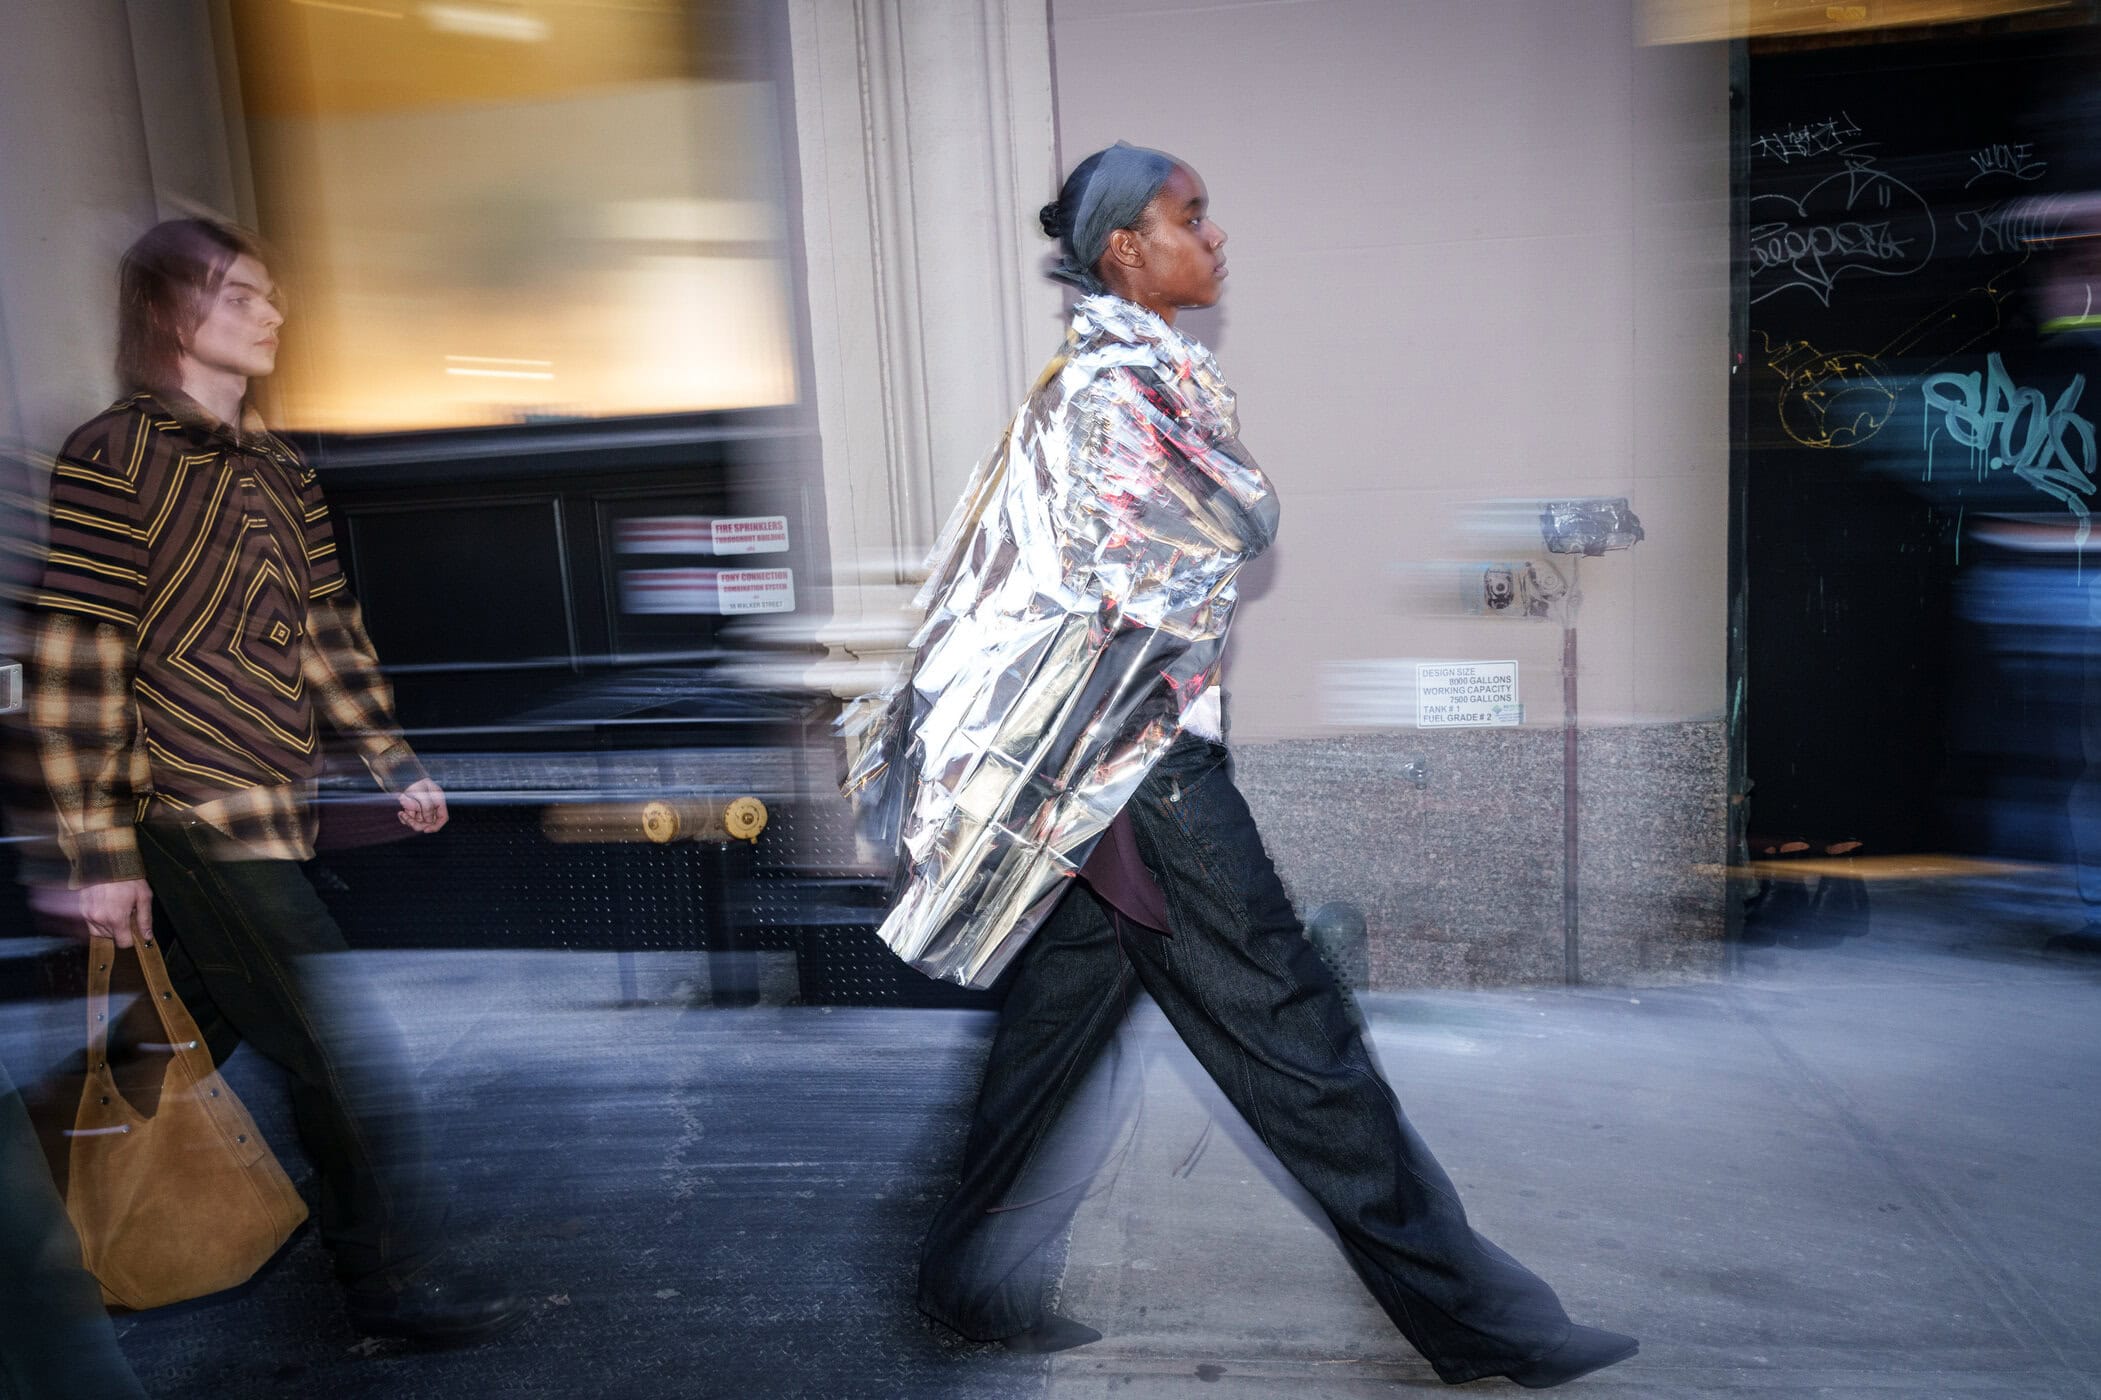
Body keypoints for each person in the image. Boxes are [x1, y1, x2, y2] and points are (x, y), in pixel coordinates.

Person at [872, 145, 1639, 1388]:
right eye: (1190, 216)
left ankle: (957, 1283)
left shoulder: (1137, 376)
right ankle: (1484, 1324)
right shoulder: (1112, 392)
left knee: (1047, 1038)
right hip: (1143, 767)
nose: (1214, 236)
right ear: (1125, 246)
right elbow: (1192, 542)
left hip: (1109, 773)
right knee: (1303, 1044)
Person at [27, 218, 520, 1342]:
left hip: (275, 804)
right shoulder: (113, 456)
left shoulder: (277, 466)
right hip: (186, 812)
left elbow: (325, 633)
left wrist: (388, 755)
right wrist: (99, 855)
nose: (272, 313)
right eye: (242, 294)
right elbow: (75, 663)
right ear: (172, 312)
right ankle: (381, 1288)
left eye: (271, 295)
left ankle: (17, 1192)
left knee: (167, 1046)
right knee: (339, 1056)